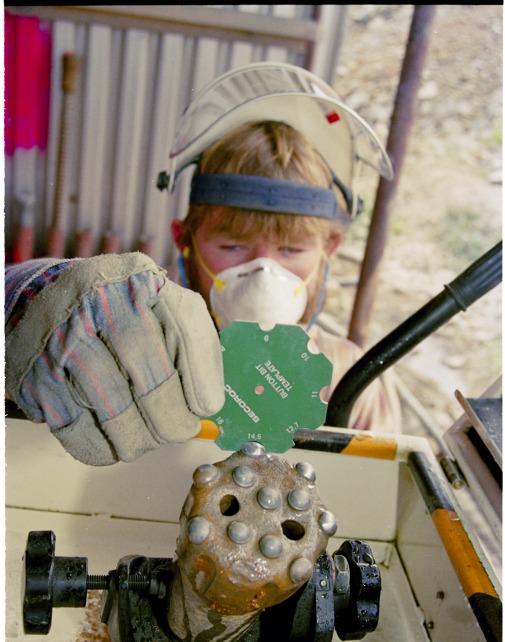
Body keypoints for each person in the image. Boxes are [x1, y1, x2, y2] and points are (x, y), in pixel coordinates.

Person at [5, 63, 399, 467]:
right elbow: (21, 299)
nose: (264, 275)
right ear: (184, 239)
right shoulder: (130, 339)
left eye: (291, 250)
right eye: (233, 245)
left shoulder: (354, 380)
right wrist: (36, 296)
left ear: (330, 248)